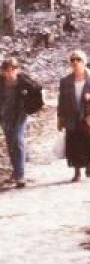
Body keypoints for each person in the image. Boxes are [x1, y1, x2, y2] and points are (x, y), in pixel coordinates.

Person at [57, 50, 90, 182]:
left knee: (88, 142)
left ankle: (89, 165)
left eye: (78, 59)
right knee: (73, 144)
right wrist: (60, 118)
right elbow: (61, 100)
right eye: (72, 60)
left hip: (89, 115)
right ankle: (77, 171)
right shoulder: (65, 81)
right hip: (71, 116)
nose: (75, 62)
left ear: (84, 62)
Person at [1, 57, 41, 188]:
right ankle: (16, 171)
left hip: (20, 115)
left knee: (18, 140)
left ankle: (20, 175)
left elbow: (37, 89)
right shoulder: (1, 82)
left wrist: (30, 107)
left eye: (10, 70)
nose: (7, 73)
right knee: (10, 142)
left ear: (16, 69)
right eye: (4, 70)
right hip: (5, 116)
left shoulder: (24, 80)